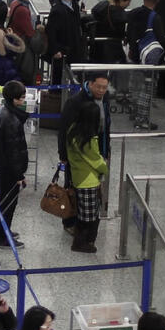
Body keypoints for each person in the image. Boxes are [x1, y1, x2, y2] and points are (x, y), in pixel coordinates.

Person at [0, 81, 29, 244]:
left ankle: (1, 230)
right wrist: (19, 174)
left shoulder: (2, 113)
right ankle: (3, 236)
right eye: (22, 97)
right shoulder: (11, 120)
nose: (24, 100)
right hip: (9, 169)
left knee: (4, 200)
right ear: (15, 99)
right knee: (8, 203)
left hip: (2, 165)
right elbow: (13, 151)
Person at [65, 99, 107, 254]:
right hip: (88, 180)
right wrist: (106, 168)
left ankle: (82, 240)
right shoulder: (88, 139)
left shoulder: (72, 130)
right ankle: (81, 243)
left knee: (83, 211)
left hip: (77, 176)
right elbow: (96, 160)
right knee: (89, 215)